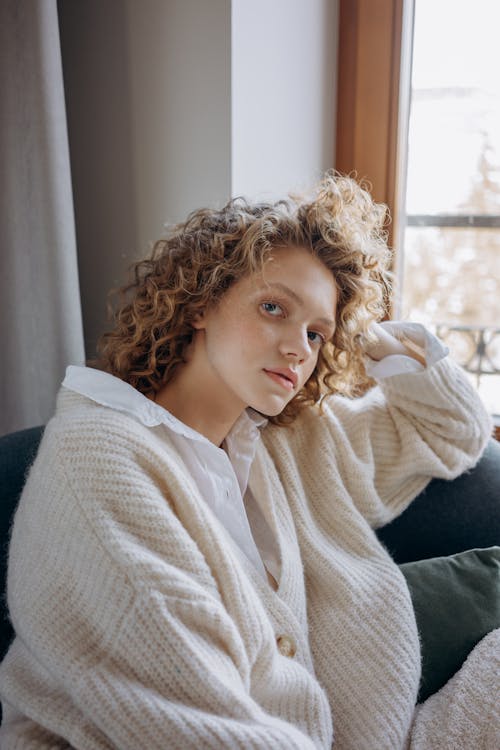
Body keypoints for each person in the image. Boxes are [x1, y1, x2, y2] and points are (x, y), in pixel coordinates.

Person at [0, 173, 497, 749]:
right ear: (200, 303)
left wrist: (368, 336)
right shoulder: (99, 461)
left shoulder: (285, 442)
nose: (298, 349)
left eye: (316, 334)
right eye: (272, 307)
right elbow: (193, 729)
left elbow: (456, 431)